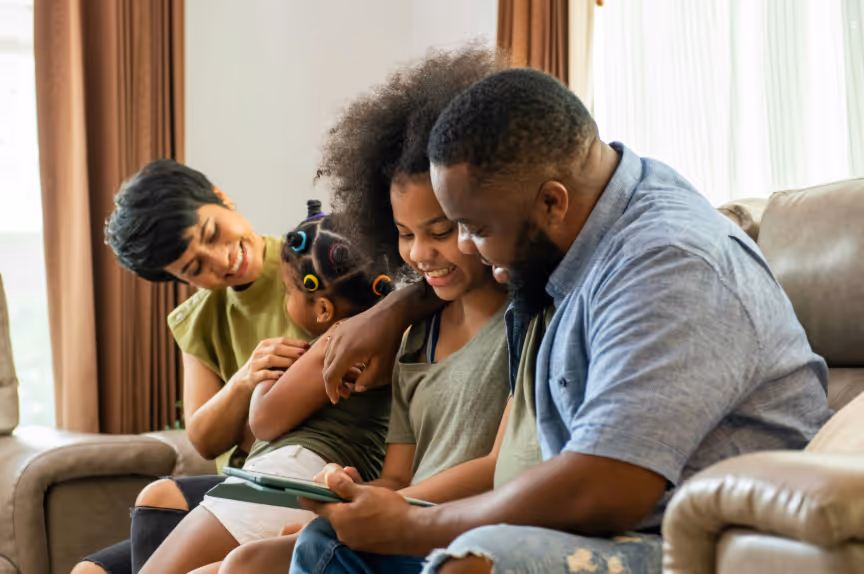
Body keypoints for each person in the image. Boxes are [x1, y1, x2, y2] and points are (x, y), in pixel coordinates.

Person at [291, 68, 834, 574]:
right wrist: (396, 307)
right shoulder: (579, 234)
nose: (463, 246)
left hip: (686, 541)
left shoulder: (669, 264)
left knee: (476, 558)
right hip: (608, 523)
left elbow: (608, 486)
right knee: (329, 548)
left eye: (473, 227)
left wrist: (412, 524)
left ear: (552, 202)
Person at [215, 45, 516, 574]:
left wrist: (389, 510)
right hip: (406, 515)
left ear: (480, 215)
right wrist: (349, 496)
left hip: (462, 528)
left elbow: (501, 467)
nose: (420, 254)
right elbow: (397, 476)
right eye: (404, 235)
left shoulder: (525, 321)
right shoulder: (417, 334)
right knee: (245, 562)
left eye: (441, 232)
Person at [73, 160, 313, 574]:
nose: (220, 260)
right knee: (88, 572)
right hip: (238, 485)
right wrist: (242, 381)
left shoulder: (313, 267)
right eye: (194, 269)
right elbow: (203, 438)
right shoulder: (196, 320)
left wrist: (241, 419)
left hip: (297, 479)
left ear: (221, 197)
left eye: (213, 234)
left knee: (161, 495)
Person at [137, 207, 393, 574]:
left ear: (322, 308)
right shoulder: (385, 345)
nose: (286, 304)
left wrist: (267, 377)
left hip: (289, 473)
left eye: (288, 292)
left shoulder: (330, 346)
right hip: (318, 480)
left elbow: (264, 422)